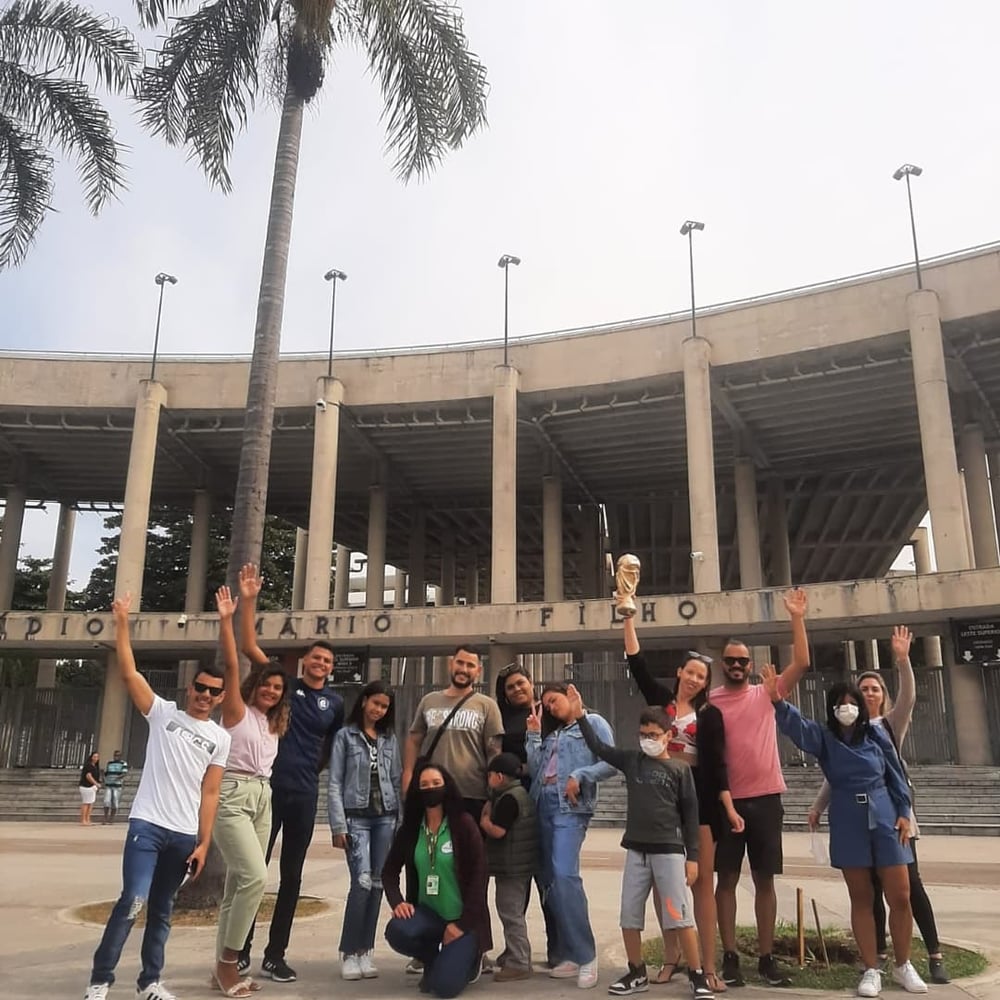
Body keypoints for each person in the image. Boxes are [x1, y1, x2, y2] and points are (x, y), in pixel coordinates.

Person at [85, 593, 230, 1000]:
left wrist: (203, 843)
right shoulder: (163, 713)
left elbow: (211, 791)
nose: (205, 695)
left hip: (184, 836)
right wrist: (123, 622)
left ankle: (150, 983)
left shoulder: (219, 738)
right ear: (190, 688)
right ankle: (99, 981)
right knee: (133, 900)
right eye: (200, 687)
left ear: (220, 697)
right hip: (148, 825)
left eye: (213, 691)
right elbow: (129, 672)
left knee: (162, 911)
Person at [761, 663, 927, 998]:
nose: (848, 707)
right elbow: (800, 728)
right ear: (833, 709)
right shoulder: (825, 738)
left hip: (885, 814)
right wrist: (778, 701)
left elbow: (896, 775)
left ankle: (903, 963)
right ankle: (870, 968)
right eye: (841, 703)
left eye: (853, 702)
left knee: (901, 894)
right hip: (848, 815)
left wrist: (905, 814)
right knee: (861, 896)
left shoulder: (878, 735)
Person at [809, 627, 949, 985]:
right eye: (863, 689)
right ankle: (876, 959)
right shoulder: (844, 732)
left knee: (907, 887)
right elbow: (835, 776)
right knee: (866, 891)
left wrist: (902, 660)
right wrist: (819, 806)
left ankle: (931, 954)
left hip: (895, 814)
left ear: (882, 697)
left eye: (875, 689)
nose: (869, 693)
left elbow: (909, 698)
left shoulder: (889, 723)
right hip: (855, 816)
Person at [568, 686, 714, 999]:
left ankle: (697, 973)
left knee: (679, 916)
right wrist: (581, 715)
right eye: (643, 733)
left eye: (653, 734)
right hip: (636, 852)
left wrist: (693, 857)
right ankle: (636, 971)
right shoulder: (632, 761)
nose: (647, 739)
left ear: (667, 734)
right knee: (629, 914)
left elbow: (691, 815)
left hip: (670, 855)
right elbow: (599, 746)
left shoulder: (679, 770)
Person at [623, 618, 743, 993]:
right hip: (660, 803)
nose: (694, 680)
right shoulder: (661, 703)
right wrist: (628, 617)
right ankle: (671, 956)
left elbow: (719, 764)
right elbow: (637, 664)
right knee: (663, 887)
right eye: (690, 672)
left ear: (707, 683)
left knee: (701, 884)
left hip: (700, 803)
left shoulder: (711, 716)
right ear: (679, 673)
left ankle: (706, 966)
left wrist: (728, 807)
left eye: (701, 676)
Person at [237, 564, 343, 984]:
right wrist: (249, 599)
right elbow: (248, 645)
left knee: (292, 876)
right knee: (253, 872)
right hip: (266, 791)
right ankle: (239, 950)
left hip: (303, 794)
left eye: (328, 661)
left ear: (332, 669)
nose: (321, 663)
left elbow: (333, 746)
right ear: (304, 661)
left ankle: (275, 954)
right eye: (316, 657)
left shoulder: (334, 703)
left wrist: (312, 772)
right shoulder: (283, 685)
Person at [710, 588, 811, 988]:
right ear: (723, 665)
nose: (737, 665)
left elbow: (802, 661)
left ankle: (767, 958)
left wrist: (796, 617)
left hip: (767, 798)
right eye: (730, 660)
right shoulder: (712, 700)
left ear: (751, 665)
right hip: (727, 803)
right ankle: (731, 956)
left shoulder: (765, 693)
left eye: (742, 660)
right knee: (727, 880)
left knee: (765, 879)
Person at [212, 582, 290, 998]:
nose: (271, 690)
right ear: (255, 685)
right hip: (232, 794)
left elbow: (259, 657)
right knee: (255, 877)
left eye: (277, 688)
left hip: (264, 797)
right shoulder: (237, 710)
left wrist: (252, 602)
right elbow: (233, 660)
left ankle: (218, 967)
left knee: (236, 886)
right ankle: (229, 963)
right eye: (266, 684)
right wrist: (233, 615)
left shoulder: (273, 721)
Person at [525, 681, 617, 990]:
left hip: (569, 807)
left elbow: (611, 762)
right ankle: (568, 953)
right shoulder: (554, 734)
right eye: (547, 704)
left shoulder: (592, 722)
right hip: (543, 804)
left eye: (553, 700)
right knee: (550, 882)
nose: (550, 706)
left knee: (565, 876)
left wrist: (581, 774)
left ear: (570, 694)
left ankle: (586, 955)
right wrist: (534, 733)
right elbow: (536, 769)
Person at [383, 762, 492, 999]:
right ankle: (432, 956)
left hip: (464, 921)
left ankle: (472, 960)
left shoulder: (463, 824)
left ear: (447, 787)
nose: (430, 789)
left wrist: (460, 926)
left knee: (444, 988)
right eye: (424, 785)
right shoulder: (411, 829)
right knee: (396, 930)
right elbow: (389, 872)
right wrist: (397, 902)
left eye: (436, 784)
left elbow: (479, 877)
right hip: (428, 917)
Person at [328, 679, 402, 982]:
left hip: (385, 818)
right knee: (360, 884)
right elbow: (334, 781)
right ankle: (349, 952)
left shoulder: (389, 738)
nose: (379, 710)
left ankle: (365, 951)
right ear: (364, 701)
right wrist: (338, 824)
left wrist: (399, 820)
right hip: (356, 819)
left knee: (377, 885)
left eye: (384, 706)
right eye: (375, 703)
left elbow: (396, 780)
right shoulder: (345, 736)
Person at [494, 662, 559, 968]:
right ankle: (515, 949)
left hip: (544, 801)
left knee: (548, 880)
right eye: (510, 687)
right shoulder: (501, 718)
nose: (517, 689)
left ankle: (558, 948)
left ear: (532, 682)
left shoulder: (547, 710)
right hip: (513, 805)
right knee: (515, 882)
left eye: (521, 683)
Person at [403, 644, 505, 819]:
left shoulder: (487, 705)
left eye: (470, 665)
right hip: (431, 790)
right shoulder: (429, 701)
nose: (464, 669)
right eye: (460, 663)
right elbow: (414, 740)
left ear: (478, 671)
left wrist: (493, 794)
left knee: (468, 845)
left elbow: (494, 752)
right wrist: (407, 776)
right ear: (451, 664)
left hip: (472, 794)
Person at [479, 751, 539, 983]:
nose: (488, 779)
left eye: (490, 775)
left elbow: (499, 831)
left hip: (512, 866)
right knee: (512, 912)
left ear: (500, 777)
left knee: (510, 913)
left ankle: (519, 962)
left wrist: (485, 823)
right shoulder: (519, 793)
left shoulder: (508, 800)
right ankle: (515, 954)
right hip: (520, 865)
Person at [102, 750, 129, 825]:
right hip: (108, 785)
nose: (116, 757)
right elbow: (106, 773)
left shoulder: (123, 763)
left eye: (118, 755)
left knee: (115, 802)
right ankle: (105, 817)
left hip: (117, 785)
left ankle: (112, 818)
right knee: (106, 801)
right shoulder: (109, 763)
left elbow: (124, 773)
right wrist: (103, 778)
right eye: (115, 755)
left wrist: (117, 778)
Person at [79, 750, 101, 825]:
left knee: (90, 803)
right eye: (94, 756)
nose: (96, 758)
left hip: (92, 787)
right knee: (86, 803)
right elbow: (88, 776)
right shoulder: (88, 765)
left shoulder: (96, 766)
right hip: (86, 786)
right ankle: (83, 820)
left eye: (97, 757)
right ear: (91, 757)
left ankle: (88, 819)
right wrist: (96, 783)